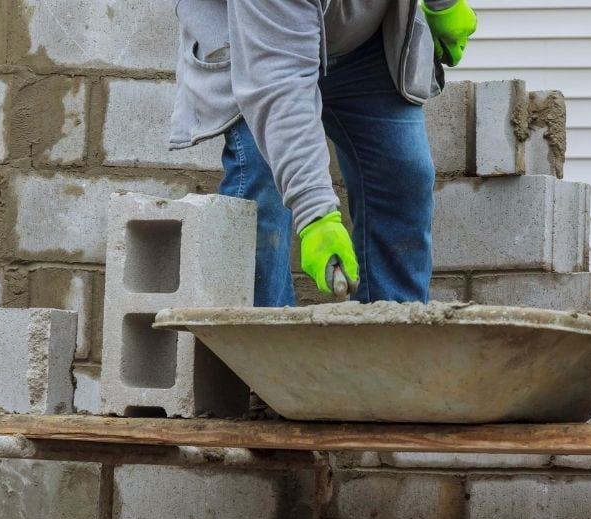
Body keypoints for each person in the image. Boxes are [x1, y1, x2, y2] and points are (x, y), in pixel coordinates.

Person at [170, 0, 477, 306]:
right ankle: (263, 342)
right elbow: (279, 83)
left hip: (361, 45)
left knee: (403, 175)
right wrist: (316, 216)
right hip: (253, 42)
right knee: (263, 185)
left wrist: (444, 5)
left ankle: (397, 341)